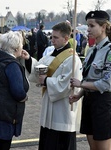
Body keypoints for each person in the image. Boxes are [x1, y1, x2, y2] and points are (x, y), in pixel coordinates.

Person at [23, 22, 83, 150]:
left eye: (56, 37)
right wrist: (28, 59)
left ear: (66, 38)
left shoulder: (72, 59)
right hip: (49, 107)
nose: (52, 40)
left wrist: (46, 81)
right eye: (52, 37)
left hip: (62, 111)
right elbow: (38, 69)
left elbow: (66, 84)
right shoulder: (51, 55)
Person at [69, 10, 111, 150]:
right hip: (89, 102)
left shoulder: (110, 52)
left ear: (103, 27)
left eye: (92, 26)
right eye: (88, 25)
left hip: (102, 104)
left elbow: (107, 83)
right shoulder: (92, 50)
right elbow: (89, 78)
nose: (88, 29)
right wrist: (79, 94)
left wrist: (80, 84)